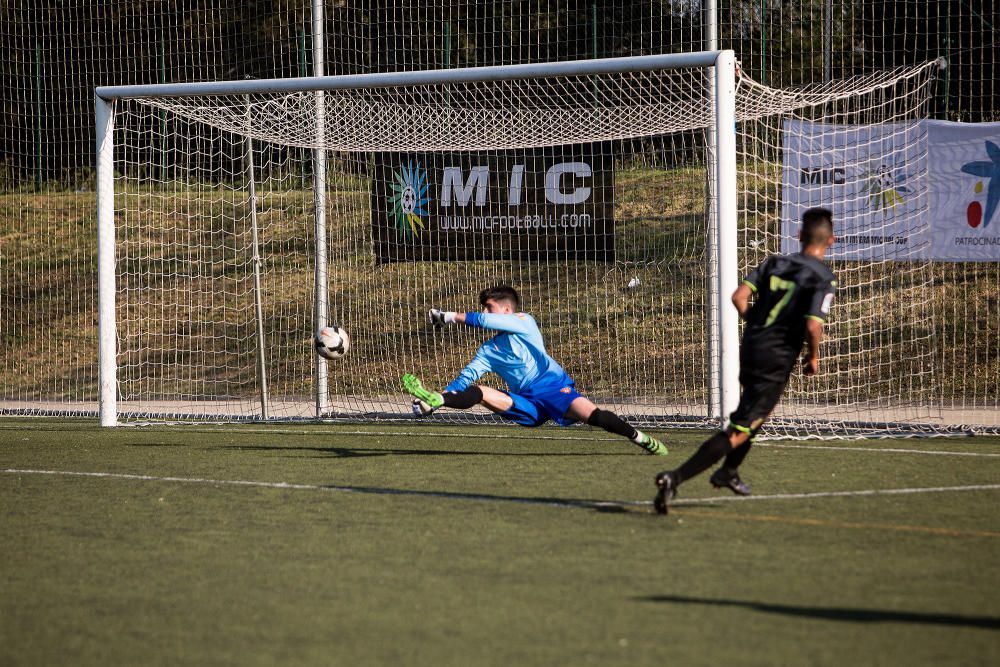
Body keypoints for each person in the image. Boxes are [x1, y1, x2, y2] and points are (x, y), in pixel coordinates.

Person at [653, 206, 838, 514]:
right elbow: (812, 325)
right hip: (776, 358)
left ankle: (728, 472)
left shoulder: (774, 263)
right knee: (740, 429)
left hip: (751, 347)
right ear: (830, 241)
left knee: (754, 416)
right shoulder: (824, 278)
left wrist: (757, 324)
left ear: (799, 235)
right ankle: (675, 477)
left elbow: (739, 297)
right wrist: (813, 356)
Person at [402, 285, 668, 455]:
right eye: (485, 308)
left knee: (594, 416)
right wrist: (438, 400)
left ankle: (639, 437)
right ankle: (436, 401)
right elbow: (465, 379)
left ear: (507, 310)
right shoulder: (488, 350)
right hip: (526, 401)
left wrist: (448, 316)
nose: (485, 312)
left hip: (553, 389)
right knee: (479, 391)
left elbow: (482, 320)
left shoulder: (524, 322)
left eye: (490, 307)